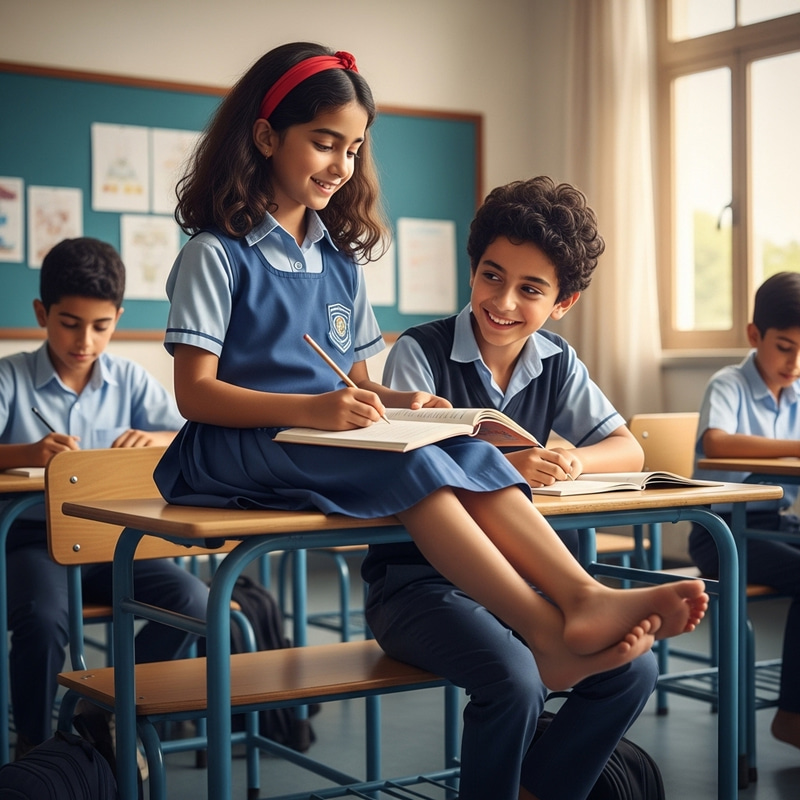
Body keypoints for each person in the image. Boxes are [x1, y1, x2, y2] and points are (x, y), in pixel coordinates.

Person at [153, 40, 708, 782]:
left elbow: (351, 382)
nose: (340, 164)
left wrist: (396, 401)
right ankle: (547, 626)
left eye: (352, 148)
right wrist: (316, 411)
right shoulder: (216, 253)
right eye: (323, 142)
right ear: (264, 136)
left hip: (313, 435)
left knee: (468, 446)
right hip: (233, 443)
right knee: (418, 460)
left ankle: (580, 596)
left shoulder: (339, 262)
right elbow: (196, 393)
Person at [365, 176, 658, 799]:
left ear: (562, 302)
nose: (503, 301)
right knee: (516, 680)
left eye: (530, 289)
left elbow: (628, 446)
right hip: (418, 589)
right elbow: (419, 457)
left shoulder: (557, 360)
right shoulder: (421, 352)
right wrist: (509, 466)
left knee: (634, 668)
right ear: (472, 271)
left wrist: (573, 457)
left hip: (523, 581)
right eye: (492, 276)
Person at [0, 237, 210, 761]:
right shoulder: (11, 377)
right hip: (34, 543)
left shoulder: (130, 380)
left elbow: (192, 434)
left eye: (101, 326)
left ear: (117, 317)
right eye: (70, 323)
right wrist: (28, 450)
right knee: (45, 619)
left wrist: (156, 439)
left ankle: (106, 708)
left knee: (195, 602)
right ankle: (34, 742)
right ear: (42, 313)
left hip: (113, 540)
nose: (85, 341)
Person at [690, 270, 800, 755]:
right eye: (785, 346)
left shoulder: (797, 392)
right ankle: (792, 716)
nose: (795, 362)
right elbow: (717, 442)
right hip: (722, 534)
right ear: (755, 336)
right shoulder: (728, 382)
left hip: (776, 525)